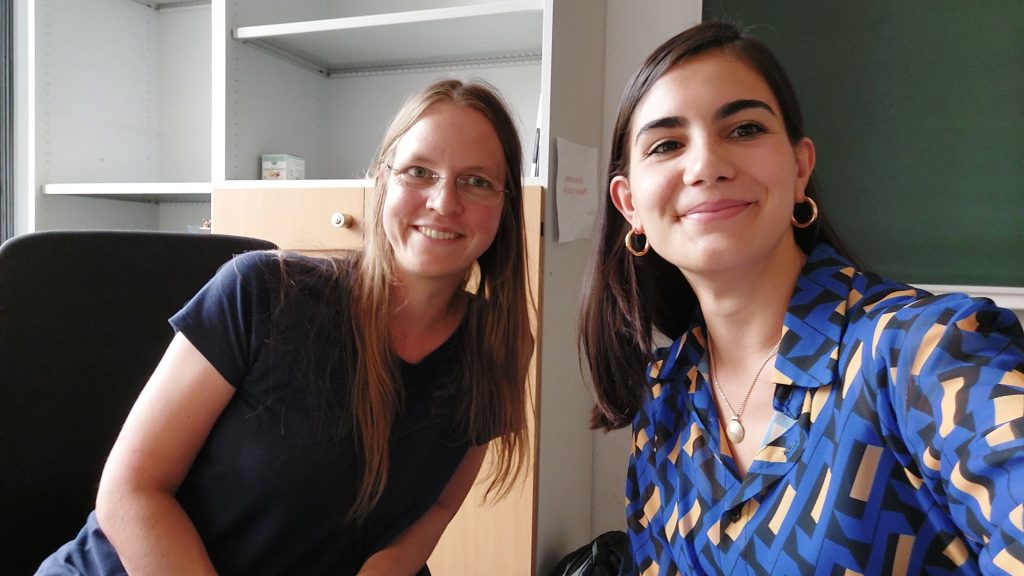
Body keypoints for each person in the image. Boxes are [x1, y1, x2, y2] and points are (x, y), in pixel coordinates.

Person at [578, 21, 1024, 575]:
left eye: (743, 130)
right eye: (667, 145)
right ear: (629, 206)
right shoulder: (664, 396)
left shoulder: (924, 354)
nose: (706, 165)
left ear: (800, 169)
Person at [38, 78, 534, 575]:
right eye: (419, 172)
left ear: (505, 204)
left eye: (476, 181)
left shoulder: (498, 345)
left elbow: (437, 507)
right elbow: (131, 492)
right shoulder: (263, 292)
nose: (444, 202)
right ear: (383, 181)